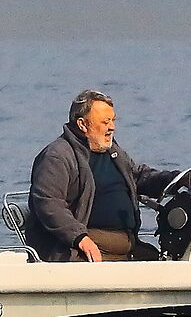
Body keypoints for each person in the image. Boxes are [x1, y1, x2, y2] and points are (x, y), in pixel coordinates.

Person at [26, 90, 179, 262]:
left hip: (127, 245)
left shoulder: (112, 150)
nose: (112, 127)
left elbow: (137, 176)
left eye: (113, 120)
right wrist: (80, 238)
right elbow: (48, 203)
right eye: (105, 122)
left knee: (166, 262)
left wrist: (174, 180)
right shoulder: (57, 156)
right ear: (83, 124)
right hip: (80, 248)